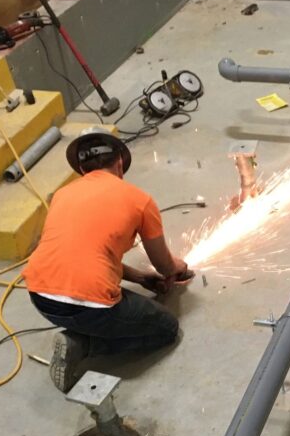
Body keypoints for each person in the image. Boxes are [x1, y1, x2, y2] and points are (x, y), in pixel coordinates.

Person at [23, 126, 193, 392]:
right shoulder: (140, 200)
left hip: (39, 296)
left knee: (97, 297)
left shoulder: (62, 194)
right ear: (120, 164)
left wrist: (138, 277)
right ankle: (81, 345)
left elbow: (84, 249)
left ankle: (84, 333)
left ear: (82, 170)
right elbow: (164, 265)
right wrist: (178, 267)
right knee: (166, 329)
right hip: (90, 307)